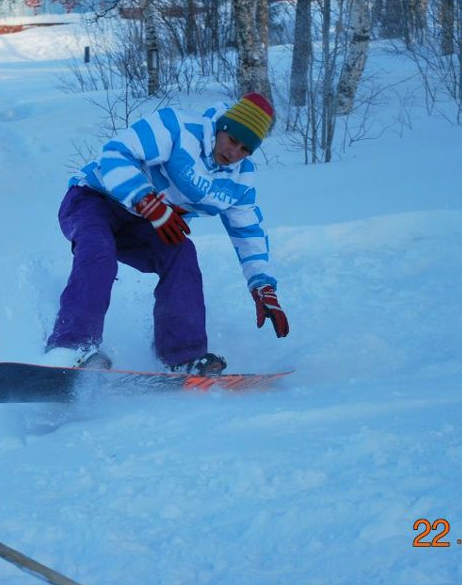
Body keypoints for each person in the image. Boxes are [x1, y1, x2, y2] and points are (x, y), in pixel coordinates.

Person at [45, 92, 290, 375]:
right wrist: (147, 201)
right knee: (98, 250)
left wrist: (262, 285)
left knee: (182, 253)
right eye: (233, 141)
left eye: (246, 149)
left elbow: (248, 230)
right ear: (222, 128)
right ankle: (71, 348)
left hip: (145, 221)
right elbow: (114, 154)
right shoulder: (178, 127)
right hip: (93, 198)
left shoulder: (239, 179)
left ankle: (182, 356)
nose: (235, 153)